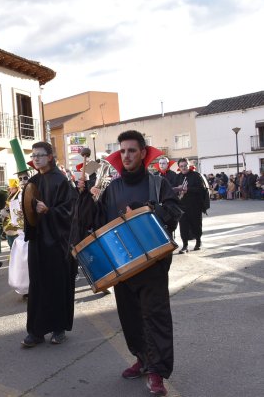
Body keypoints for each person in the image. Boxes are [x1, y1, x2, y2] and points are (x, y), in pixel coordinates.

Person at [79, 130, 182, 396]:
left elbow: (173, 214)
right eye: (122, 151)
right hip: (122, 266)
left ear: (143, 153)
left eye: (132, 150)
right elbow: (95, 223)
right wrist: (84, 198)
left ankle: (157, 372)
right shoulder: (111, 188)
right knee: (130, 318)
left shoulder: (158, 185)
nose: (126, 155)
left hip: (153, 265)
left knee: (155, 319)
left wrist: (144, 208)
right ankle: (142, 359)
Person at [20, 141, 78, 347]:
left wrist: (50, 211)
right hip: (38, 241)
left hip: (57, 243)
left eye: (40, 155)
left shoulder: (62, 181)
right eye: (33, 155)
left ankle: (58, 328)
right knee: (37, 286)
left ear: (50, 157)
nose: (36, 158)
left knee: (56, 285)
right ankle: (36, 331)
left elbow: (70, 212)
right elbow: (28, 211)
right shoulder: (32, 181)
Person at [172, 158, 206, 253]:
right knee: (183, 226)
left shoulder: (196, 175)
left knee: (196, 224)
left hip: (195, 205)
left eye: (185, 166)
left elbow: (201, 189)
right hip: (182, 206)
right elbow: (172, 189)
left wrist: (188, 189)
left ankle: (198, 241)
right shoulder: (177, 177)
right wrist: (177, 189)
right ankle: (185, 245)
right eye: (181, 166)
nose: (183, 168)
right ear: (179, 167)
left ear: (188, 165)